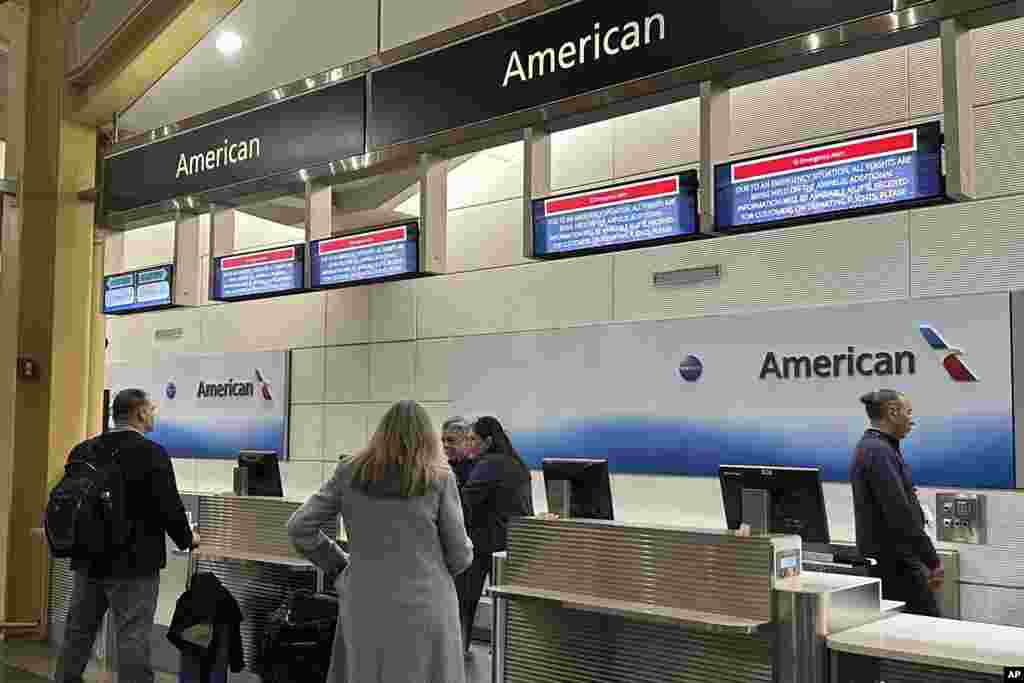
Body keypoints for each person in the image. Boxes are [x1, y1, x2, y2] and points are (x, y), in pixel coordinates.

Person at [287, 400, 473, 683]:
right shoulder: (439, 478)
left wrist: (338, 565)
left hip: (365, 601)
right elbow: (460, 555)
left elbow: (300, 527)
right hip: (427, 605)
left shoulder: (349, 471)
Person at [56, 389, 199, 683]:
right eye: (152, 408)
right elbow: (168, 506)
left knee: (78, 633)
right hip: (134, 563)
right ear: (140, 413)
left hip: (87, 560)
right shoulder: (152, 453)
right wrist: (188, 539)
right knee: (132, 638)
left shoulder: (83, 450)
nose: (154, 413)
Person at [850, 389, 943, 617]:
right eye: (908, 412)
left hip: (891, 560)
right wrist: (932, 560)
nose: (912, 419)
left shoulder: (876, 447)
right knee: (925, 630)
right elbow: (901, 515)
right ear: (892, 412)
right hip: (897, 563)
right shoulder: (879, 451)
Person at [457, 416, 534, 658]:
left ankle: (459, 650)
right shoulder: (517, 463)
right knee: (508, 607)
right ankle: (506, 654)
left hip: (483, 543)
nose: (469, 444)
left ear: (487, 441)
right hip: (512, 543)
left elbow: (464, 500)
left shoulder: (489, 463)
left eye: (472, 439)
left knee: (464, 602)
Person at [442, 416, 474, 487]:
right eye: (443, 440)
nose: (445, 445)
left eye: (450, 440)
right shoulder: (447, 467)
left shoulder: (477, 470)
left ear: (467, 441)